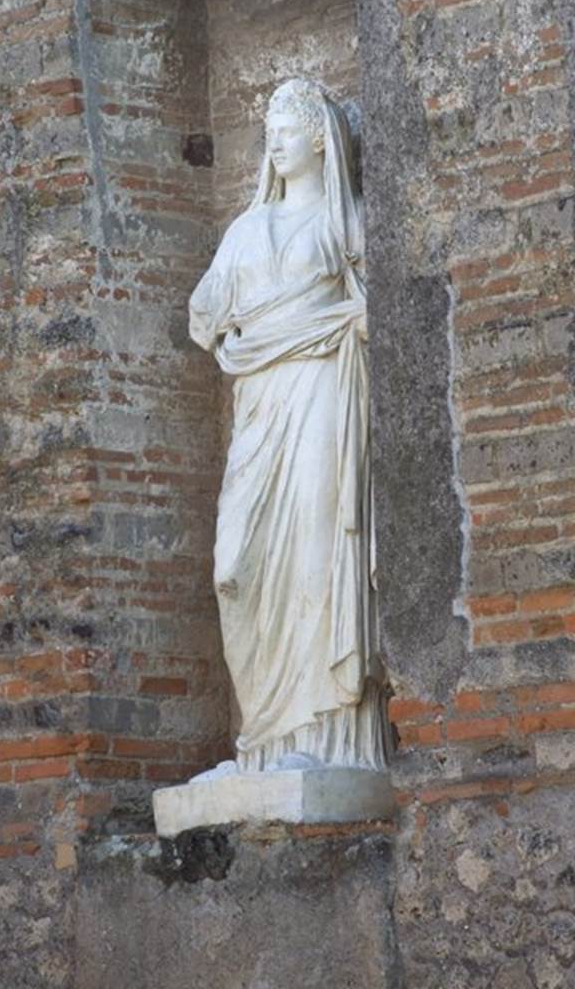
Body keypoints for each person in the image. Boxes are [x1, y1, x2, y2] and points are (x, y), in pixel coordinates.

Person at [188, 78, 390, 773]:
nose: (273, 138)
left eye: (289, 125)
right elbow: (204, 315)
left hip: (323, 392)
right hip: (260, 403)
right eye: (269, 126)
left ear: (319, 139)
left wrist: (354, 321)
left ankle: (324, 737)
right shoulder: (243, 230)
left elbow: (381, 306)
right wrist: (230, 335)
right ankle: (263, 741)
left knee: (312, 547)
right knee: (235, 565)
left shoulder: (347, 222)